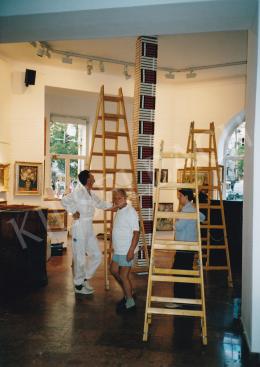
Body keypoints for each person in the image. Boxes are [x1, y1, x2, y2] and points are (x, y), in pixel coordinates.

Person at [61, 170, 113, 295]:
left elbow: (101, 204)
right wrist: (73, 211)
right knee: (80, 257)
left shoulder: (91, 194)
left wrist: (115, 205)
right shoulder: (78, 192)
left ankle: (84, 278)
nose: (94, 179)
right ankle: (78, 286)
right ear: (88, 180)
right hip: (79, 227)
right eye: (92, 177)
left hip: (89, 227)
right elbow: (64, 200)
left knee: (97, 255)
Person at [166, 188, 205, 308]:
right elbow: (202, 217)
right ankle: (187, 300)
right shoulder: (191, 209)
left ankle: (180, 301)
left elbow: (178, 226)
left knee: (180, 272)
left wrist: (174, 219)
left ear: (187, 197)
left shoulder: (187, 210)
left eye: (180, 196)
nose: (179, 198)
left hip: (185, 247)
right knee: (185, 272)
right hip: (187, 246)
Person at [110, 189, 140, 313]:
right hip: (118, 249)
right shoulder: (119, 210)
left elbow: (136, 233)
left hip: (126, 249)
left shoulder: (131, 212)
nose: (117, 200)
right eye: (115, 198)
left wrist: (131, 250)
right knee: (113, 270)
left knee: (123, 275)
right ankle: (128, 292)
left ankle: (130, 302)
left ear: (125, 197)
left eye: (119, 198)